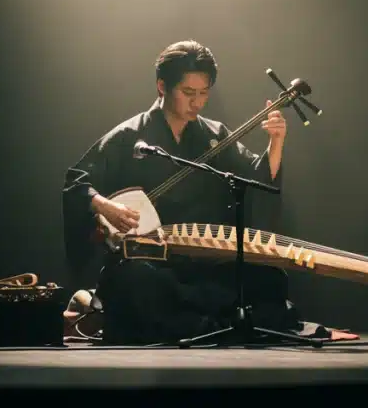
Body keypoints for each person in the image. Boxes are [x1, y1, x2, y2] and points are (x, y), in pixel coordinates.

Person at [60, 40, 298, 344]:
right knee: (136, 282)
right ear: (162, 86)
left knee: (270, 279)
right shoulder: (130, 136)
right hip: (151, 263)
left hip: (204, 261)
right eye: (188, 93)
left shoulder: (215, 136)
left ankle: (198, 326)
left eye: (204, 93)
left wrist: (275, 143)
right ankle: (217, 327)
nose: (197, 102)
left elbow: (256, 178)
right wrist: (105, 206)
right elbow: (77, 181)